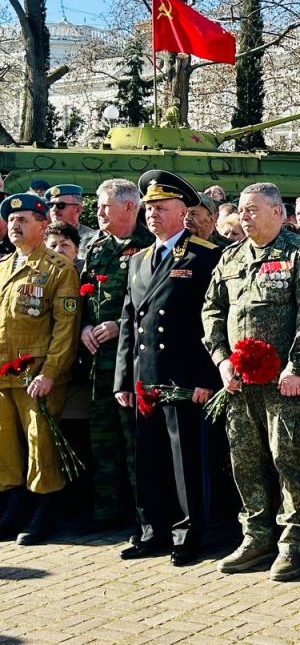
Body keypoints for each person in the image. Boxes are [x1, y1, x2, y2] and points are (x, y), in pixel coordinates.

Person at [203, 182, 300, 582]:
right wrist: (221, 360)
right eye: (241, 209)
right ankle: (255, 536)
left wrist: (298, 366)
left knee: (287, 458)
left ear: (278, 212)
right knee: (245, 460)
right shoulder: (231, 257)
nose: (245, 216)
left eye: (253, 209)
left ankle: (292, 542)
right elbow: (212, 310)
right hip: (239, 383)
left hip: (283, 382)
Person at [114, 171, 221, 566]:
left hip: (182, 374)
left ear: (182, 211)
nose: (152, 215)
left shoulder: (204, 255)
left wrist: (205, 379)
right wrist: (124, 378)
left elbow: (211, 322)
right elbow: (130, 321)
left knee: (184, 459)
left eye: (161, 208)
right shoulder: (139, 259)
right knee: (149, 457)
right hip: (146, 373)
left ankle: (187, 534)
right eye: (149, 208)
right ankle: (150, 530)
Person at [0, 193, 80, 545]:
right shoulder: (3, 267)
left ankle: (43, 507)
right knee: (4, 442)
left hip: (37, 374)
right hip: (3, 372)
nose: (15, 226)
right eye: (12, 221)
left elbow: (66, 327)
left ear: (43, 225)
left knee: (40, 442)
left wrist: (50, 372)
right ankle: (13, 503)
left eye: (24, 220)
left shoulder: (57, 269)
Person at [79, 179, 153, 531]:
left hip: (133, 360)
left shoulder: (148, 246)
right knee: (102, 436)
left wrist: (119, 325)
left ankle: (145, 516)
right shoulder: (97, 247)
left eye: (105, 206)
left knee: (136, 441)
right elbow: (83, 297)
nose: (98, 212)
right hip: (99, 360)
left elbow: (152, 305)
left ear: (128, 208)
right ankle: (106, 512)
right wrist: (84, 327)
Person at [46, 184, 97, 255]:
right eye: (51, 205)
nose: (54, 209)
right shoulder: (42, 237)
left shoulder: (93, 239)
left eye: (60, 205)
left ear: (77, 209)